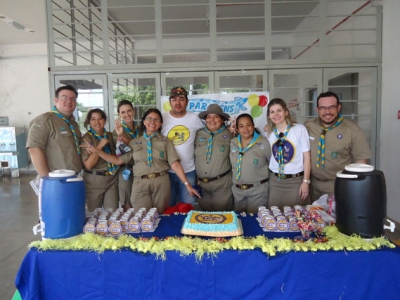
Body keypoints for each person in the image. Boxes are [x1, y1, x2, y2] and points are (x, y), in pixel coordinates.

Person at [81, 108, 201, 214]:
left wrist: (187, 185)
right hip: (140, 184)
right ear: (144, 122)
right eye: (149, 118)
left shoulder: (166, 142)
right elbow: (118, 160)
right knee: (141, 217)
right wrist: (97, 151)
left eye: (156, 119)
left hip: (161, 183)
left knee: (159, 216)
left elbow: (174, 164)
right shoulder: (135, 142)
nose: (152, 122)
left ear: (160, 124)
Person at [304, 91, 372, 201]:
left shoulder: (353, 131)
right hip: (312, 186)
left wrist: (355, 189)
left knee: (336, 218)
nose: (327, 112)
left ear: (338, 108)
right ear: (317, 110)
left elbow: (361, 164)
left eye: (331, 107)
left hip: (338, 186)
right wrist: (270, 126)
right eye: (323, 108)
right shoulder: (308, 126)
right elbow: (291, 131)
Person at [264, 98, 311, 208]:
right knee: (275, 217)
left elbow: (307, 156)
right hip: (275, 181)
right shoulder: (269, 133)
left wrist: (305, 181)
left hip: (295, 181)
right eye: (272, 112)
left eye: (279, 110)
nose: (276, 114)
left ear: (286, 112)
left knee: (297, 217)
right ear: (269, 116)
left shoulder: (299, 129)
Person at [26, 85, 82, 177]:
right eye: (64, 97)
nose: (69, 101)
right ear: (56, 100)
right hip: (55, 179)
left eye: (73, 98)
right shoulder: (45, 120)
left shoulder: (73, 123)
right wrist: (46, 178)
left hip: (74, 177)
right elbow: (34, 149)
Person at [161, 87, 204, 206]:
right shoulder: (162, 119)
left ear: (187, 101)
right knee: (168, 208)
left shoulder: (194, 119)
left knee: (187, 208)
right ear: (170, 102)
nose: (177, 103)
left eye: (181, 99)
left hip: (188, 170)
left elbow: (210, 132)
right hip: (166, 171)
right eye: (174, 99)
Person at [195, 104, 234, 211]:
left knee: (222, 218)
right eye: (208, 117)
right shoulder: (198, 134)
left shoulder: (230, 134)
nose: (212, 120)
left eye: (216, 117)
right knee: (204, 218)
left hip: (222, 185)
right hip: (202, 185)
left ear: (222, 120)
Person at [230, 113, 271, 214]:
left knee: (255, 222)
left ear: (253, 126)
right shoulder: (233, 143)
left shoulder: (264, 142)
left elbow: (272, 164)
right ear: (237, 129)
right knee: (239, 222)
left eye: (248, 125)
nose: (245, 129)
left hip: (258, 191)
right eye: (241, 126)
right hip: (238, 192)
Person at [81, 109, 118, 212]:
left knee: (112, 214)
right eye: (93, 119)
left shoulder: (110, 135)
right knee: (94, 215)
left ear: (105, 120)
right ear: (89, 121)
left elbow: (118, 155)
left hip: (111, 179)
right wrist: (100, 146)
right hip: (94, 181)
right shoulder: (86, 138)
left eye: (100, 118)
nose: (97, 122)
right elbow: (88, 165)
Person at [113, 100, 142, 211]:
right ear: (119, 114)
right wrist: (121, 136)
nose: (127, 115)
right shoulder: (117, 131)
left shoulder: (140, 130)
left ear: (133, 111)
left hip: (140, 168)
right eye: (123, 112)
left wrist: (127, 141)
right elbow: (118, 153)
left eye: (129, 111)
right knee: (127, 203)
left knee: (140, 201)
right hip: (126, 170)